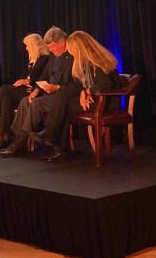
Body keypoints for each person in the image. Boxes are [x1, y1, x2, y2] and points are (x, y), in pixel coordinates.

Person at [29, 31, 120, 162]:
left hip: (105, 100)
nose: (70, 51)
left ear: (79, 46)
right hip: (93, 98)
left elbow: (105, 84)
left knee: (63, 105)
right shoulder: (83, 61)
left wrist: (86, 92)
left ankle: (54, 139)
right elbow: (79, 84)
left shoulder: (96, 60)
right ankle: (55, 141)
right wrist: (84, 92)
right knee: (63, 97)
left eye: (72, 48)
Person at [0, 26, 75, 157]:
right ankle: (16, 138)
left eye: (53, 46)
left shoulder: (71, 56)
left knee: (35, 104)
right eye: (49, 47)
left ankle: (18, 144)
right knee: (25, 100)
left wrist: (55, 88)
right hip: (48, 93)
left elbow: (73, 83)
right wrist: (36, 90)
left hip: (62, 95)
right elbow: (44, 75)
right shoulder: (52, 56)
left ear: (62, 42)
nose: (50, 49)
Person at [0, 33, 50, 148]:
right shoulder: (31, 61)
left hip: (35, 93)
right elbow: (22, 77)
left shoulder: (45, 59)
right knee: (6, 99)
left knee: (4, 88)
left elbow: (44, 78)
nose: (26, 48)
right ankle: (6, 137)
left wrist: (27, 82)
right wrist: (20, 82)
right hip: (24, 91)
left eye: (27, 45)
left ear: (34, 45)